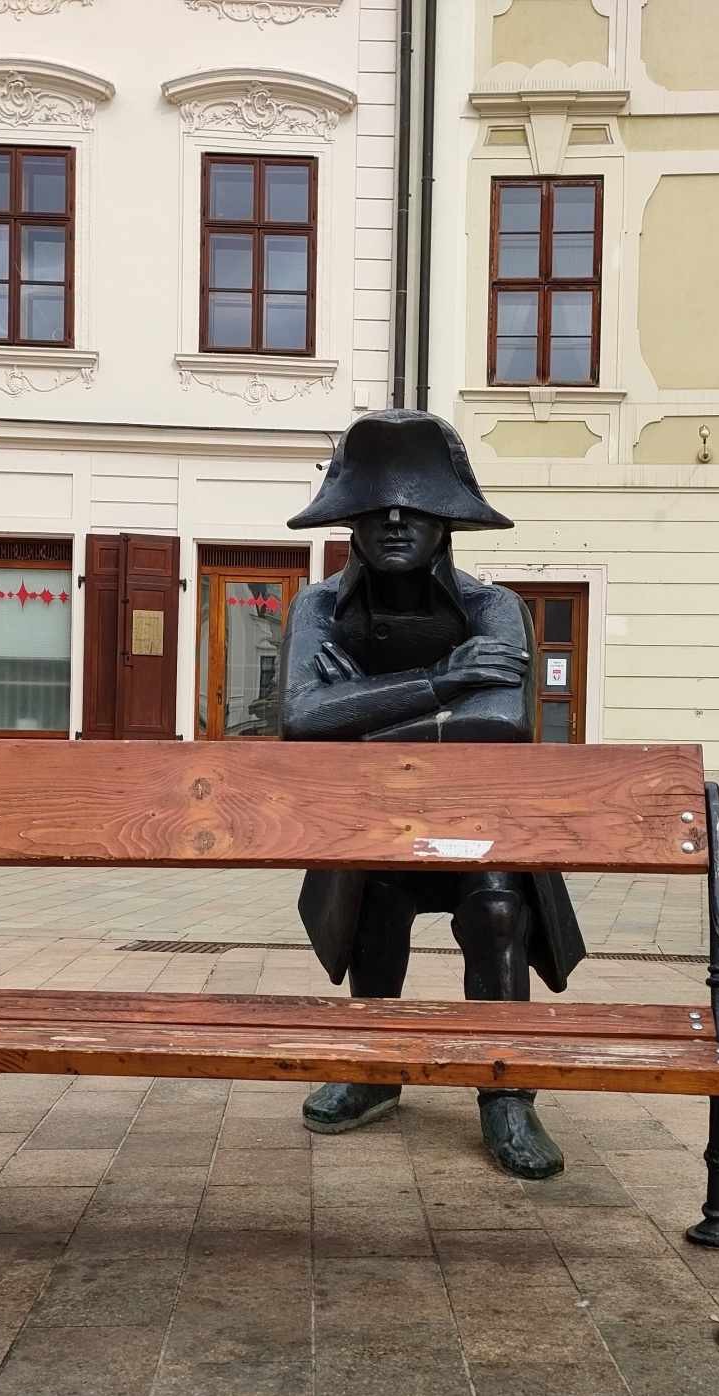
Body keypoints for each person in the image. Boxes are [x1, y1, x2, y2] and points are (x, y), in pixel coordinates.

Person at [280, 409, 585, 1179]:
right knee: (373, 888)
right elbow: (300, 718)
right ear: (348, 514)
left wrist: (357, 716)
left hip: (479, 827)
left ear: (446, 516)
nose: (393, 519)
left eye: (414, 504)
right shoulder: (318, 607)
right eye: (376, 503)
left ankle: (505, 1087)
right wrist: (441, 681)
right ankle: (376, 1065)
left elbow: (498, 728)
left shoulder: (494, 608)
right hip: (371, 828)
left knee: (497, 899)